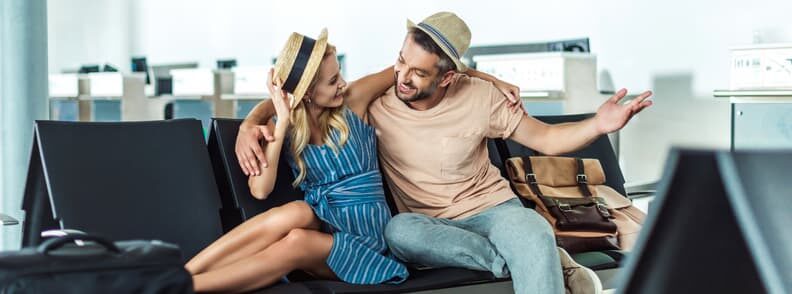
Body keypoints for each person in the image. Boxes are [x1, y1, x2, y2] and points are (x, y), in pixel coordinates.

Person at [240, 12, 654, 294]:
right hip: (427, 228)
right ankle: (544, 258)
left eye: (419, 73)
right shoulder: (375, 100)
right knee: (398, 232)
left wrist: (600, 125)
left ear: (449, 77)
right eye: (401, 62)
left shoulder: (479, 96)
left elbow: (544, 139)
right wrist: (248, 125)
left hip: (495, 211)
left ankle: (535, 251)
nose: (403, 76)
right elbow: (300, 97)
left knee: (529, 231)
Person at [187, 28, 519, 293]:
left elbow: (437, 67)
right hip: (327, 227)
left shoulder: (354, 100)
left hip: (370, 241)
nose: (343, 83)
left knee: (298, 239)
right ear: (306, 93)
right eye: (333, 81)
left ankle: (183, 286)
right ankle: (184, 273)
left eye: (340, 73)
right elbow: (260, 190)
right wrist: (281, 118)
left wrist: (493, 81)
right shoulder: (285, 129)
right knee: (296, 213)